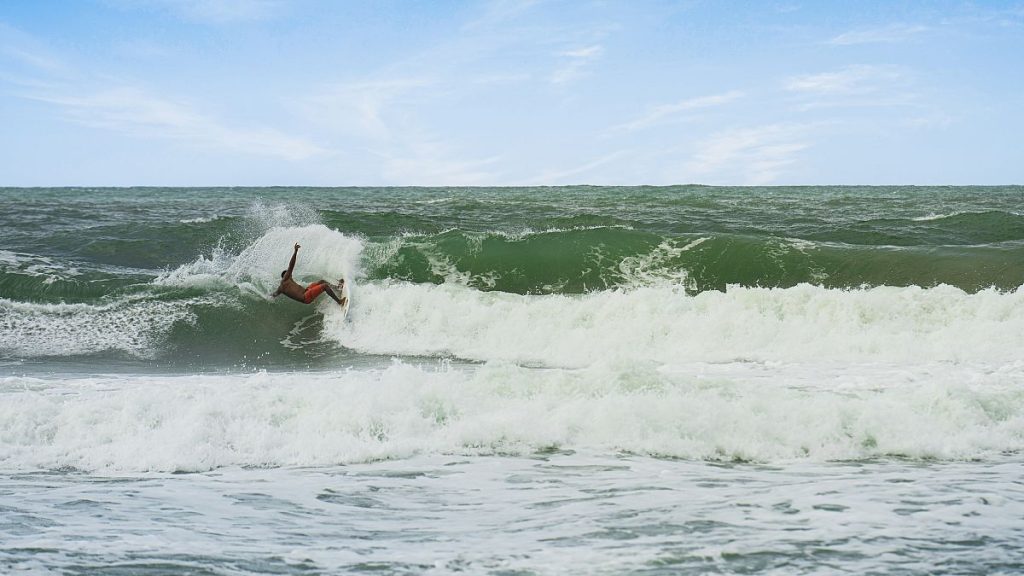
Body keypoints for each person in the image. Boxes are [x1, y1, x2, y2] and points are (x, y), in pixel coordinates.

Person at [272, 243, 347, 306]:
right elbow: (291, 265)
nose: (290, 274)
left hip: (306, 291)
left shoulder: (280, 288)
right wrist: (295, 251)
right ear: (285, 275)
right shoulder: (286, 278)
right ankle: (339, 302)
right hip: (305, 297)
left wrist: (265, 295)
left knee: (321, 281)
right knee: (325, 286)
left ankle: (337, 288)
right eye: (289, 274)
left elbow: (274, 295)